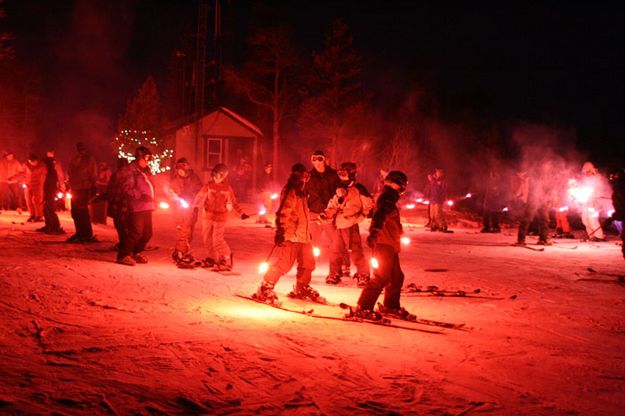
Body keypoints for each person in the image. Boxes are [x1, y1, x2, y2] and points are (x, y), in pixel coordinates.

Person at [254, 163, 325, 304]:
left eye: (307, 176)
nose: (306, 178)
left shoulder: (302, 191)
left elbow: (302, 214)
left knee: (308, 263)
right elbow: (283, 211)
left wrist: (307, 229)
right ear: (297, 175)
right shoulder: (291, 190)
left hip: (303, 235)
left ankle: (302, 286)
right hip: (291, 234)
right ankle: (266, 286)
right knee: (284, 263)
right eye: (303, 176)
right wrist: (281, 229)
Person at [353, 171, 412, 320]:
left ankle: (390, 306)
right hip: (383, 244)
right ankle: (364, 306)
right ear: (397, 184)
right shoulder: (387, 198)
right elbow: (379, 217)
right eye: (402, 186)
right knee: (381, 277)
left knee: (396, 277)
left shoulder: (389, 198)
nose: (402, 189)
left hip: (390, 244)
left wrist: (398, 230)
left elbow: (388, 219)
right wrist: (374, 233)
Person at [320, 162, 374, 286]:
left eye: (344, 174)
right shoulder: (340, 190)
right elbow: (333, 204)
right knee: (335, 250)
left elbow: (369, 204)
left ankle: (363, 274)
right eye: (340, 174)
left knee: (355, 251)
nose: (342, 177)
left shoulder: (358, 189)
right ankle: (334, 273)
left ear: (352, 173)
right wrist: (326, 215)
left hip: (351, 224)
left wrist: (360, 217)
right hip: (339, 224)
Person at [194, 163, 249, 271]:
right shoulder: (208, 186)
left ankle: (226, 258)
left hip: (220, 216)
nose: (215, 178)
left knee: (217, 240)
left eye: (218, 176)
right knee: (207, 239)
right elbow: (199, 197)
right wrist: (195, 206)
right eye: (214, 175)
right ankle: (214, 258)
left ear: (223, 176)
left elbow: (233, 203)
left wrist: (241, 213)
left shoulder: (227, 188)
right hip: (208, 215)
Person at [305, 150, 343, 282]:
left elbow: (341, 192)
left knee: (335, 244)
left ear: (324, 160)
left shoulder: (333, 175)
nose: (317, 162)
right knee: (310, 244)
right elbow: (303, 194)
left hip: (330, 215)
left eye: (319, 159)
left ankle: (334, 273)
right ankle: (306, 270)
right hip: (314, 213)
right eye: (314, 160)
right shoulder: (309, 176)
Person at [117, 147, 155, 266]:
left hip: (147, 206)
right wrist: (141, 196)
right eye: (146, 158)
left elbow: (150, 187)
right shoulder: (130, 171)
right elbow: (127, 188)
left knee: (147, 232)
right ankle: (123, 255)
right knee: (136, 232)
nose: (147, 161)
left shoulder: (146, 171)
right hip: (137, 206)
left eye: (149, 158)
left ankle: (136, 252)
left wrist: (152, 199)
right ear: (139, 157)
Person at [168, 157, 203, 266]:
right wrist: (177, 198)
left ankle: (184, 251)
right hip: (180, 211)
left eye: (182, 170)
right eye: (179, 170)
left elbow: (199, 191)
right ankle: (180, 253)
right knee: (183, 232)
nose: (181, 172)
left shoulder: (194, 179)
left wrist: (192, 198)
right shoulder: (175, 181)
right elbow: (171, 193)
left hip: (191, 210)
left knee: (189, 233)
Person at [515, 160, 554, 246]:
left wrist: (549, 198)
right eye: (547, 164)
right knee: (526, 218)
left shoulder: (547, 175)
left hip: (542, 200)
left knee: (544, 219)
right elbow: (526, 179)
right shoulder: (534, 173)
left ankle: (543, 239)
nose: (548, 167)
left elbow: (548, 188)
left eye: (549, 165)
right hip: (533, 198)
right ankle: (521, 239)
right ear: (542, 165)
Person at [67, 142, 98, 242]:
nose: (81, 150)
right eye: (79, 148)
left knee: (82, 212)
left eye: (82, 148)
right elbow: (70, 172)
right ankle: (79, 232)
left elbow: (93, 174)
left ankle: (86, 234)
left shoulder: (89, 159)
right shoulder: (74, 159)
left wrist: (93, 186)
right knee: (75, 212)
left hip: (84, 188)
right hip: (75, 188)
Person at [578, 162, 607, 242]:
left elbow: (599, 189)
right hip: (586, 201)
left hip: (593, 202)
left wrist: (595, 197)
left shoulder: (596, 177)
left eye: (587, 170)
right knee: (585, 219)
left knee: (592, 219)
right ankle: (592, 235)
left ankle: (599, 236)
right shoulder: (586, 178)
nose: (586, 173)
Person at [37, 156, 65, 235]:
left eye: (45, 164)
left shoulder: (52, 172)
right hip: (48, 192)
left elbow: (51, 184)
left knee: (50, 209)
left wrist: (49, 192)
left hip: (50, 193)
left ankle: (55, 227)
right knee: (46, 209)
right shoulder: (49, 171)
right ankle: (49, 225)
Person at [106, 158, 130, 251]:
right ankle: (124, 242)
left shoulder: (122, 175)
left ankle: (125, 243)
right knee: (122, 225)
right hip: (120, 203)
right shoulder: (119, 174)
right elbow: (111, 188)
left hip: (120, 203)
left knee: (121, 225)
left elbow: (111, 189)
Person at [608, 167, 625, 259]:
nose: (611, 178)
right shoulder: (619, 187)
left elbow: (621, 207)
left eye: (613, 176)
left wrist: (611, 218)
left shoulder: (620, 188)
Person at [23, 154, 46, 222]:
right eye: (31, 161)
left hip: (37, 186)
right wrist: (12, 177)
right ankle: (32, 214)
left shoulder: (41, 166)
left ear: (37, 161)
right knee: (28, 201)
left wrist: (42, 184)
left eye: (34, 161)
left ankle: (39, 215)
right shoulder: (26, 165)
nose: (33, 163)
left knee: (37, 201)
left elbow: (44, 175)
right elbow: (21, 172)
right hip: (28, 185)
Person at [429, 168, 452, 233]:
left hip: (438, 200)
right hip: (432, 199)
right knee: (432, 215)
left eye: (439, 172)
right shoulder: (434, 180)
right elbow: (431, 189)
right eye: (436, 172)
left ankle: (443, 226)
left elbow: (444, 189)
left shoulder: (443, 181)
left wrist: (446, 197)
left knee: (438, 214)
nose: (437, 173)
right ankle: (434, 226)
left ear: (442, 173)